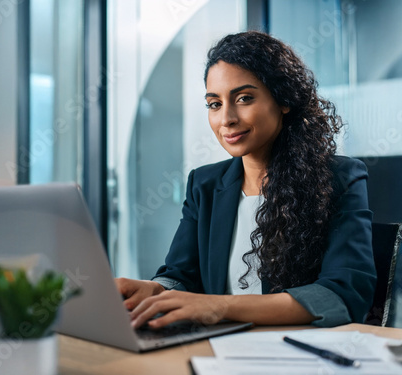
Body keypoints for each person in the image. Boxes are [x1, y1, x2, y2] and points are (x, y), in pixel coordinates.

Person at [115, 31, 376, 330]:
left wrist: (220, 305)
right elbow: (180, 275)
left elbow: (342, 296)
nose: (226, 118)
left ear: (283, 100)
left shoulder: (340, 178)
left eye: (244, 98)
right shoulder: (205, 184)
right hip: (216, 349)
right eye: (214, 104)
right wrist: (155, 290)